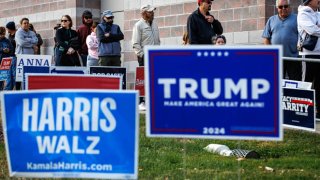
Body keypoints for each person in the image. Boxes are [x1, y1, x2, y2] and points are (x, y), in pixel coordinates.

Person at [262, 0, 301, 81]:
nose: (283, 8)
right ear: (277, 8)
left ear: (289, 7)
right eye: (280, 7)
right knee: (277, 82)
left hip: (293, 58)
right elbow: (266, 38)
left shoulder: (297, 18)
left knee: (295, 82)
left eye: (286, 6)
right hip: (277, 59)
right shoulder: (271, 20)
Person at [132, 4, 160, 111]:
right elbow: (135, 43)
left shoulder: (155, 24)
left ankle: (151, 100)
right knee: (143, 79)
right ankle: (141, 101)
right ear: (144, 13)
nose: (152, 13)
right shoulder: (138, 25)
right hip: (144, 56)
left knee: (153, 79)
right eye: (150, 12)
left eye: (152, 11)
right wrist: (142, 55)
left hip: (155, 56)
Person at [298, 0, 320, 118]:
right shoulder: (303, 14)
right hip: (308, 53)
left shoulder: (318, 13)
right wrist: (316, 27)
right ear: (309, 1)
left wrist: (316, 28)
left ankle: (318, 112)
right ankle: (302, 111)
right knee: (306, 83)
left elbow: (315, 30)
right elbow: (312, 30)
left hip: (319, 54)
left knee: (319, 84)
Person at [4, 21, 17, 90]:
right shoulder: (9, 36)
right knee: (9, 76)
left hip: (15, 57)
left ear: (10, 28)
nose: (7, 30)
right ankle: (7, 91)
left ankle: (18, 91)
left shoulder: (17, 34)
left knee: (15, 75)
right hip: (9, 57)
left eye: (7, 28)